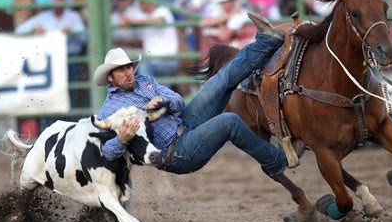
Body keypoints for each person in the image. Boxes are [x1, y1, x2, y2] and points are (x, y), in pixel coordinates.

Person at [95, 12, 289, 177]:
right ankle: (277, 160)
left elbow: (179, 102)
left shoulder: (145, 81)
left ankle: (266, 42)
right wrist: (121, 139)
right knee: (230, 121)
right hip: (175, 153)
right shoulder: (109, 110)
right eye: (121, 70)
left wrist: (164, 101)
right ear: (110, 78)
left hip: (184, 123)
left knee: (219, 81)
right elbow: (106, 153)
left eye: (129, 67)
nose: (128, 72)